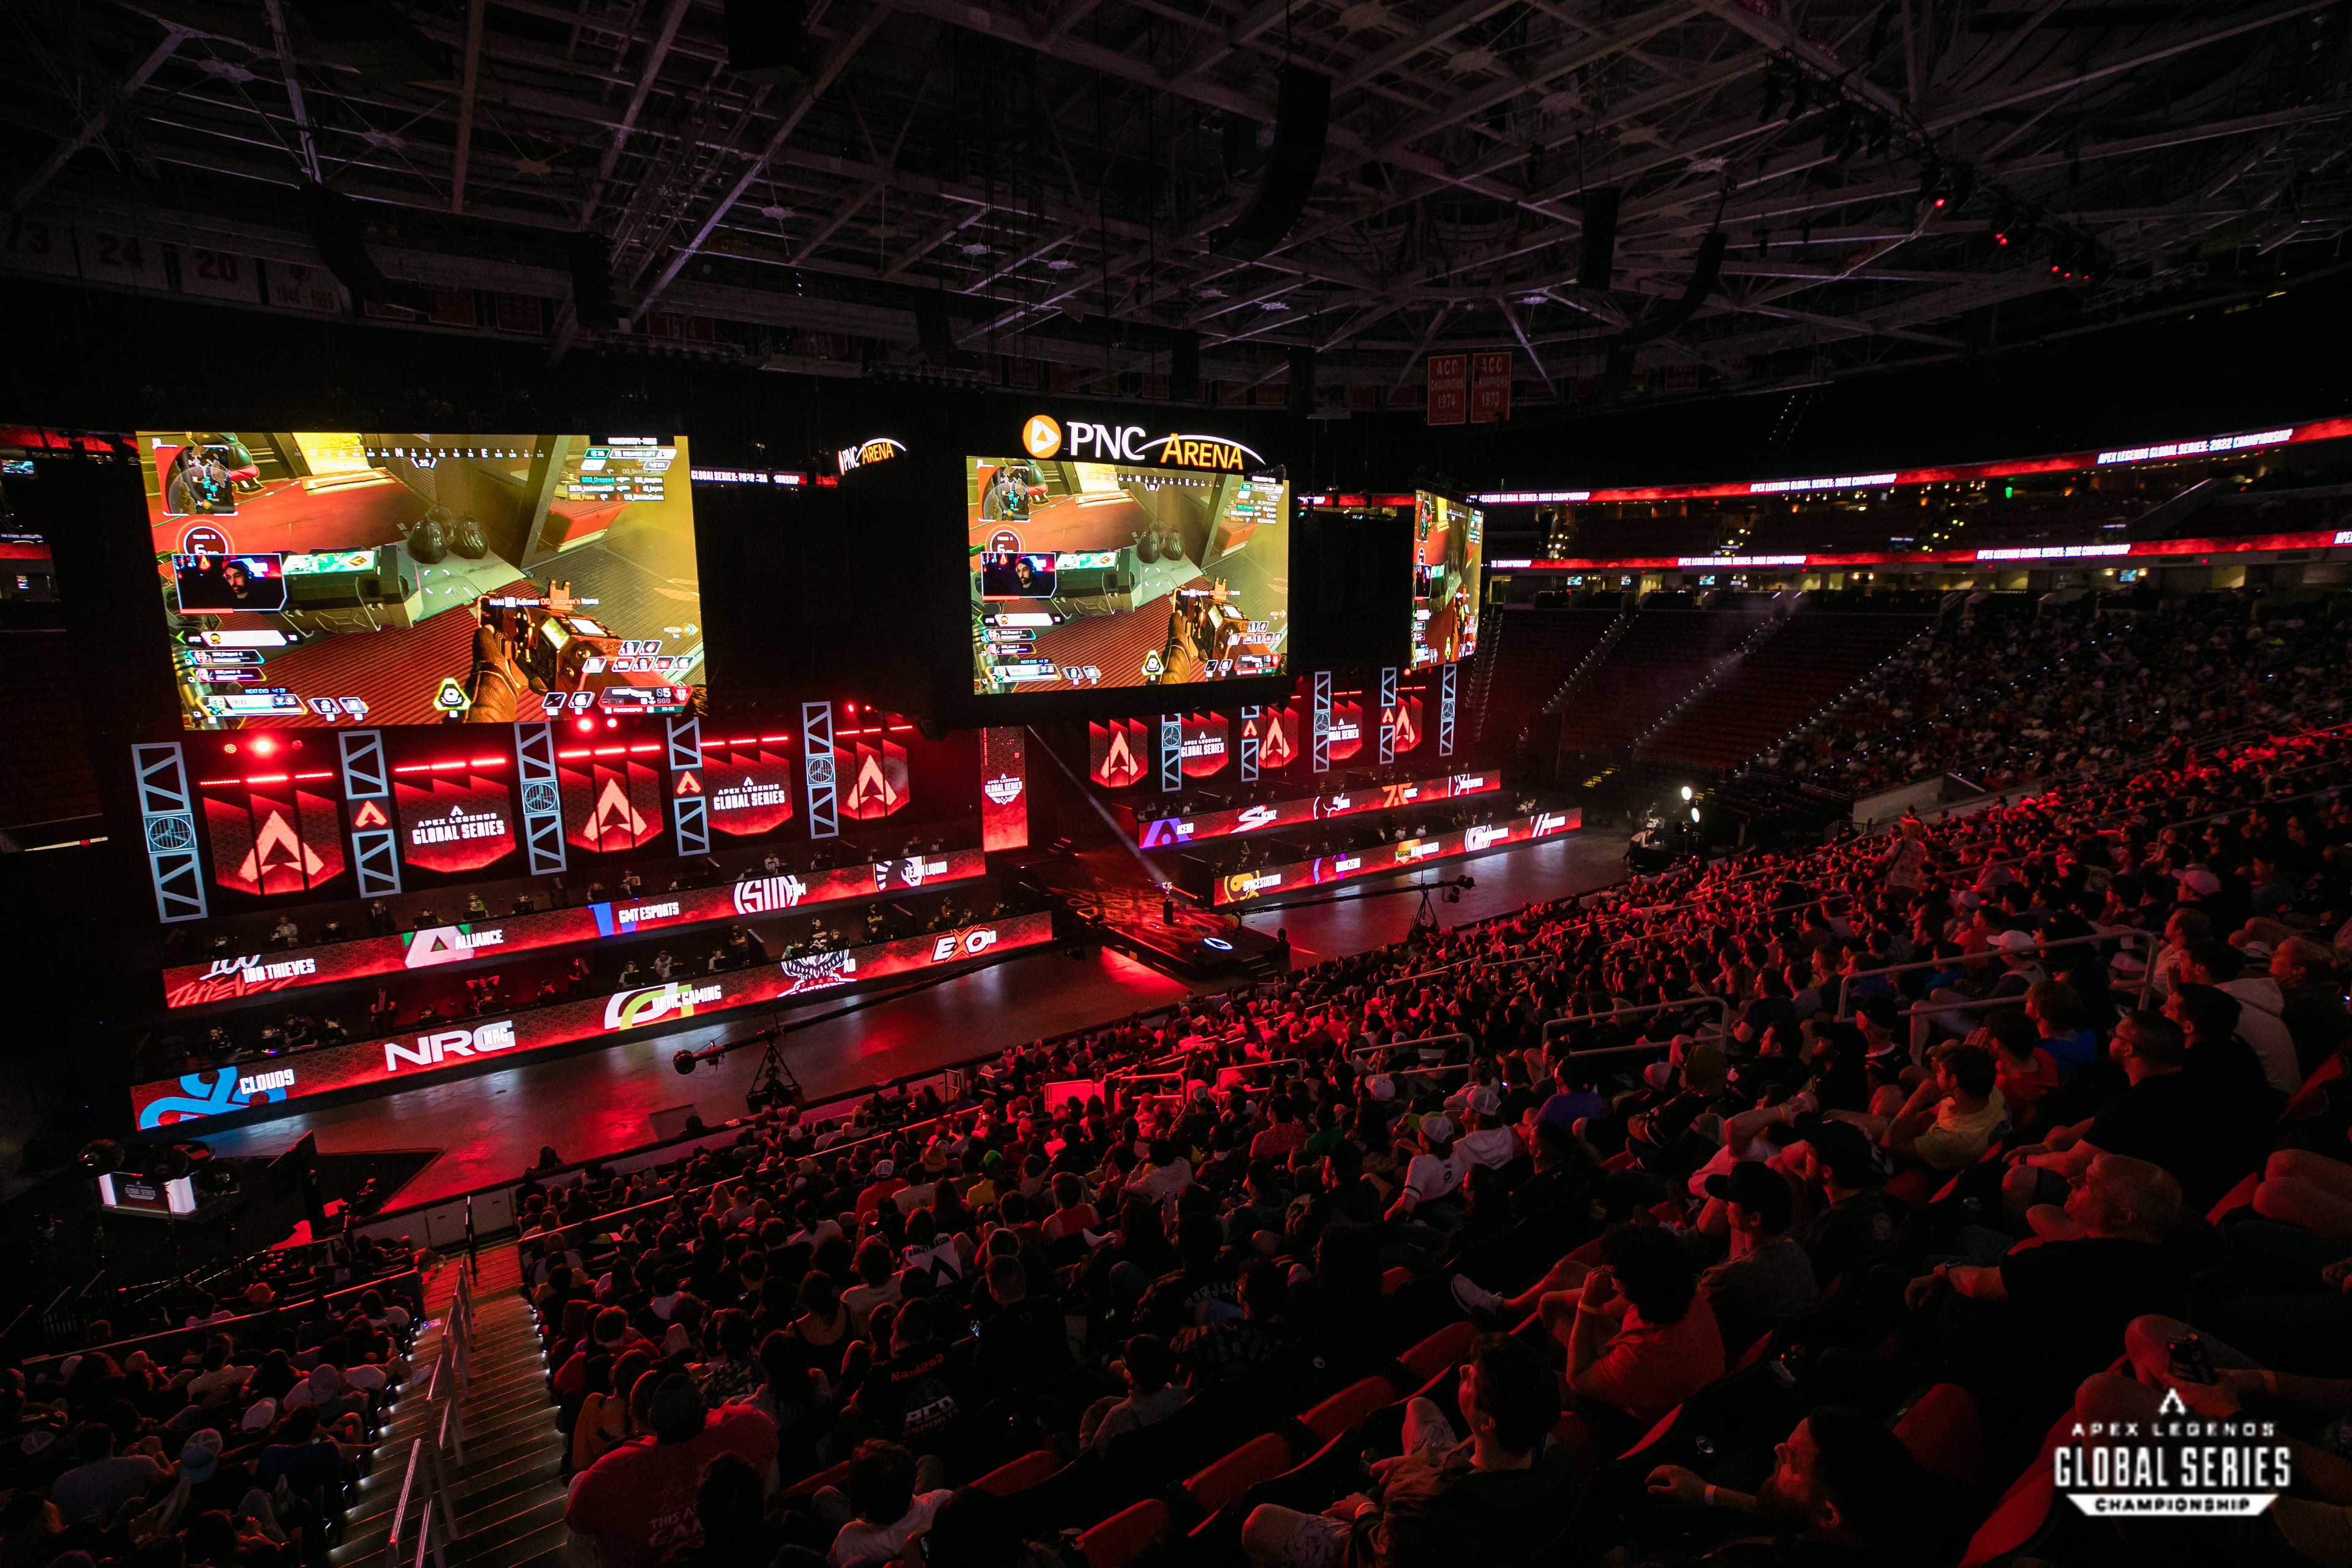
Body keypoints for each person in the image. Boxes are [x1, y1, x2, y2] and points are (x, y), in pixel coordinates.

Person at [1240, 1335, 1572, 1568]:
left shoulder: (1425, 1509)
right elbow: (1476, 1466)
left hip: (1397, 1540)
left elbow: (1383, 1557)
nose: (1461, 1370)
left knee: (1259, 1524)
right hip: (1462, 1515)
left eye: (1472, 1378)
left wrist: (1363, 1511)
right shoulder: (1553, 1457)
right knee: (1420, 1407)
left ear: (1487, 1421)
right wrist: (1418, 1462)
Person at [1643, 1406, 1952, 1566]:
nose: (1778, 1449)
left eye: (1791, 1460)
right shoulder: (1870, 1519)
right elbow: (1796, 1512)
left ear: (1829, 1515)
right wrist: (1707, 1493)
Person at [564, 1374, 778, 1568]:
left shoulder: (608, 1473)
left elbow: (577, 1521)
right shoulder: (748, 1423)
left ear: (653, 1422)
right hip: (742, 1545)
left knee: (577, 1509)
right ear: (705, 1411)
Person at [1697, 1162, 1819, 1359]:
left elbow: (1690, 1319)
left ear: (1754, 1218)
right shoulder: (1797, 1252)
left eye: (1732, 1201)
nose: (1726, 1204)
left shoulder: (1723, 1279)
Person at [822, 1440, 953, 1568]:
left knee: (824, 1495)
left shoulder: (848, 1540)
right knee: (928, 1461)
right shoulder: (944, 1501)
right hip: (918, 1513)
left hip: (874, 1531)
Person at [1080, 1333, 1188, 1449]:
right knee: (1091, 1377)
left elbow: (1092, 1462)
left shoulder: (1116, 1419)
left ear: (1129, 1376)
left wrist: (1085, 1431)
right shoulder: (1186, 1395)